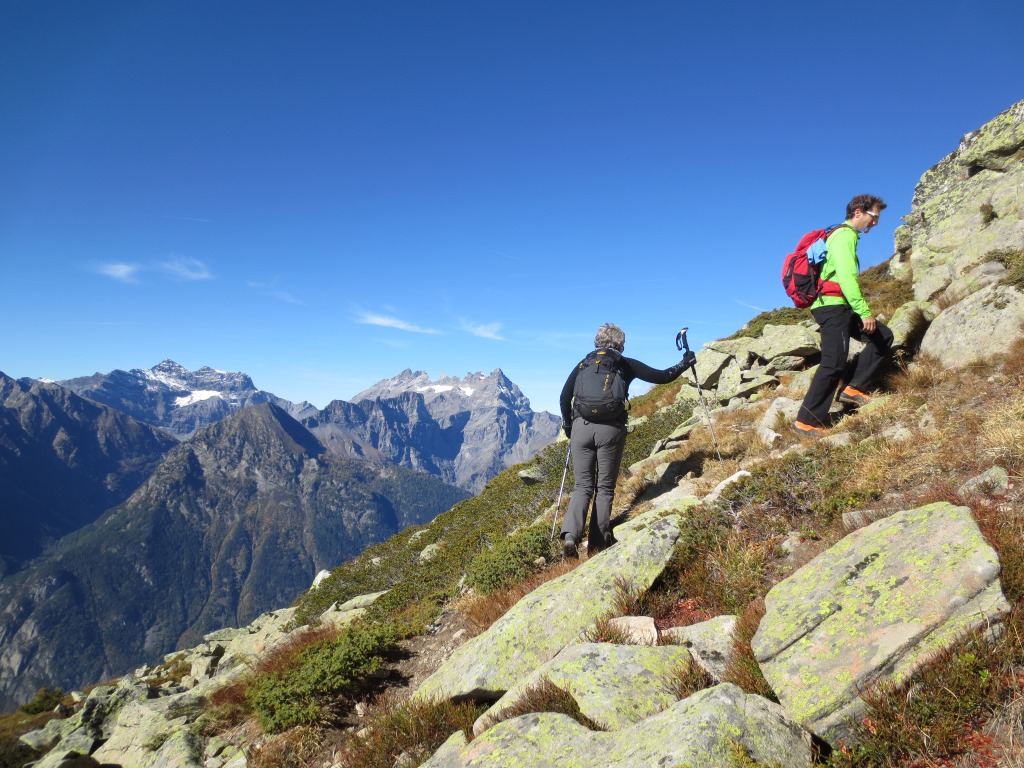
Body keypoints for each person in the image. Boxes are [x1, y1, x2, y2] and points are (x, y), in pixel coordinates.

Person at [558, 323, 693, 557]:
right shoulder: (624, 363)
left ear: (597, 342)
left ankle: (571, 535)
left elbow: (564, 396)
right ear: (620, 344)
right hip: (610, 430)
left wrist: (569, 426)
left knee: (582, 485)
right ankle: (597, 546)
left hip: (581, 428)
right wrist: (685, 362)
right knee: (605, 487)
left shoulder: (583, 364)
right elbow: (661, 377)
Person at [794, 194, 895, 435]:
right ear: (858, 212)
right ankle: (806, 422)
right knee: (833, 361)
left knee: (883, 336)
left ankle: (854, 388)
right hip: (832, 306)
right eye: (874, 217)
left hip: (837, 305)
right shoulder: (844, 235)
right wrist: (863, 311)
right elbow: (847, 277)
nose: (875, 223)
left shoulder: (840, 235)